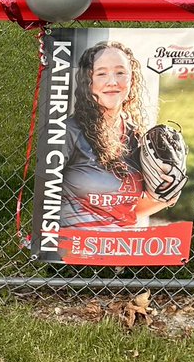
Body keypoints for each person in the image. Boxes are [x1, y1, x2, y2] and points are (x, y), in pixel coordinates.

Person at [59, 40, 179, 228]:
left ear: (132, 79)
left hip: (119, 247)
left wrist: (166, 194)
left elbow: (127, 212)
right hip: (73, 247)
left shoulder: (138, 137)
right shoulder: (69, 131)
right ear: (87, 81)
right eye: (101, 73)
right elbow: (44, 197)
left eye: (120, 72)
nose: (112, 81)